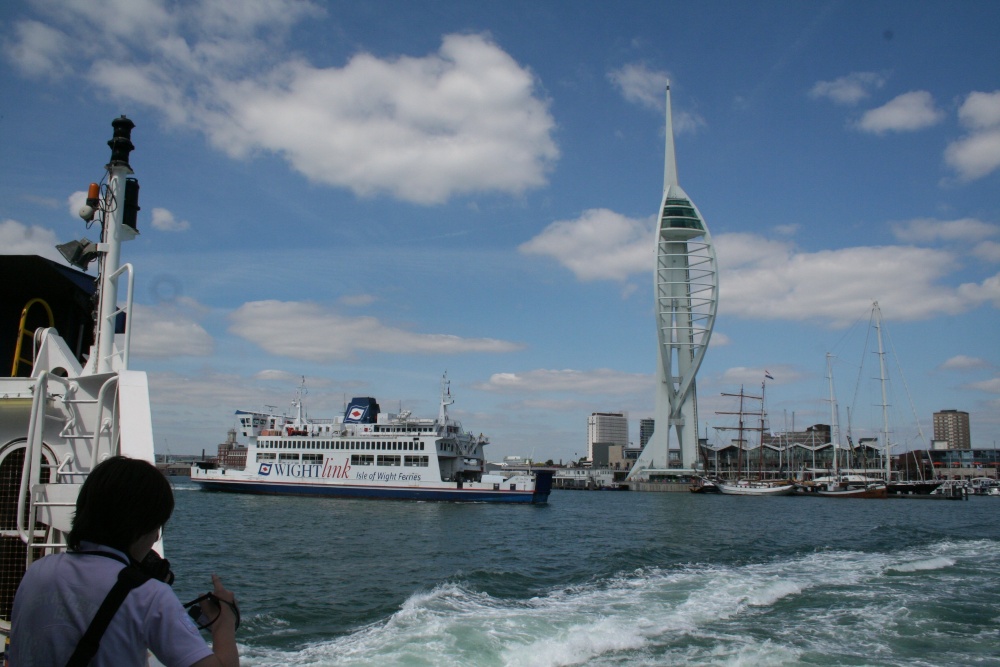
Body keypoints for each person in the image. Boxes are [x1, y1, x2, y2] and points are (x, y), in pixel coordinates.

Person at [10, 456, 240, 667]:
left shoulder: (37, 572)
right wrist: (224, 622)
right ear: (145, 527)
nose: (157, 537)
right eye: (157, 527)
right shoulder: (148, 595)